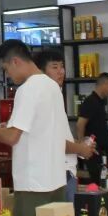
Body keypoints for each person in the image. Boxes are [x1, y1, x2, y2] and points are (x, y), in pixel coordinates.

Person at [0, 40, 93, 216]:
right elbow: (46, 132)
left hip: (33, 185)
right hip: (56, 181)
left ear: (15, 62)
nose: (8, 75)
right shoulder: (53, 87)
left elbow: (12, 137)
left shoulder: (27, 89)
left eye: (6, 69)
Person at [35, 48, 77, 200]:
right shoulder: (45, 96)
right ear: (42, 71)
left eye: (62, 66)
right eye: (55, 67)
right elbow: (53, 140)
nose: (61, 71)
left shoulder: (57, 94)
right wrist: (81, 149)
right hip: (59, 171)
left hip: (66, 169)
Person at [76, 73, 108, 185]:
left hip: (101, 153)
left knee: (104, 183)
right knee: (97, 184)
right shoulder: (91, 101)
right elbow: (80, 124)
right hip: (93, 152)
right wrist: (82, 146)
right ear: (104, 84)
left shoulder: (100, 103)